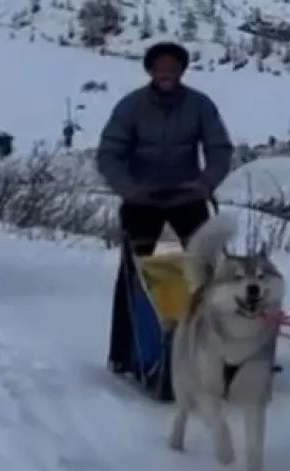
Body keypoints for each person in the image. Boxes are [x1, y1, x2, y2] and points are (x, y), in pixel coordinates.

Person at [97, 40, 234, 376]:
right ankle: (124, 353)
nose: (166, 74)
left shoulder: (200, 105)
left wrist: (205, 183)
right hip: (142, 199)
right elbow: (109, 153)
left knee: (206, 270)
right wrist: (129, 188)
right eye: (160, 68)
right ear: (150, 71)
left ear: (182, 71)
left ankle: (219, 352)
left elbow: (219, 148)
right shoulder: (130, 107)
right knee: (133, 273)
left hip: (186, 196)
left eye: (173, 68)